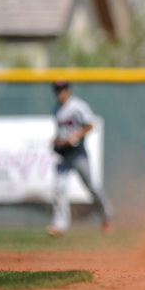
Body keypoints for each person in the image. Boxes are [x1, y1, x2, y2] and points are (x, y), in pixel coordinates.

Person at [46, 80, 114, 237]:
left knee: (92, 187)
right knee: (58, 189)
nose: (59, 92)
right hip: (63, 154)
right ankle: (59, 225)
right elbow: (60, 132)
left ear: (68, 90)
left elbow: (91, 124)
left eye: (62, 89)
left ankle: (106, 214)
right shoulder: (56, 109)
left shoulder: (77, 106)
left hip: (78, 153)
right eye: (57, 89)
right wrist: (56, 140)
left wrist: (75, 136)